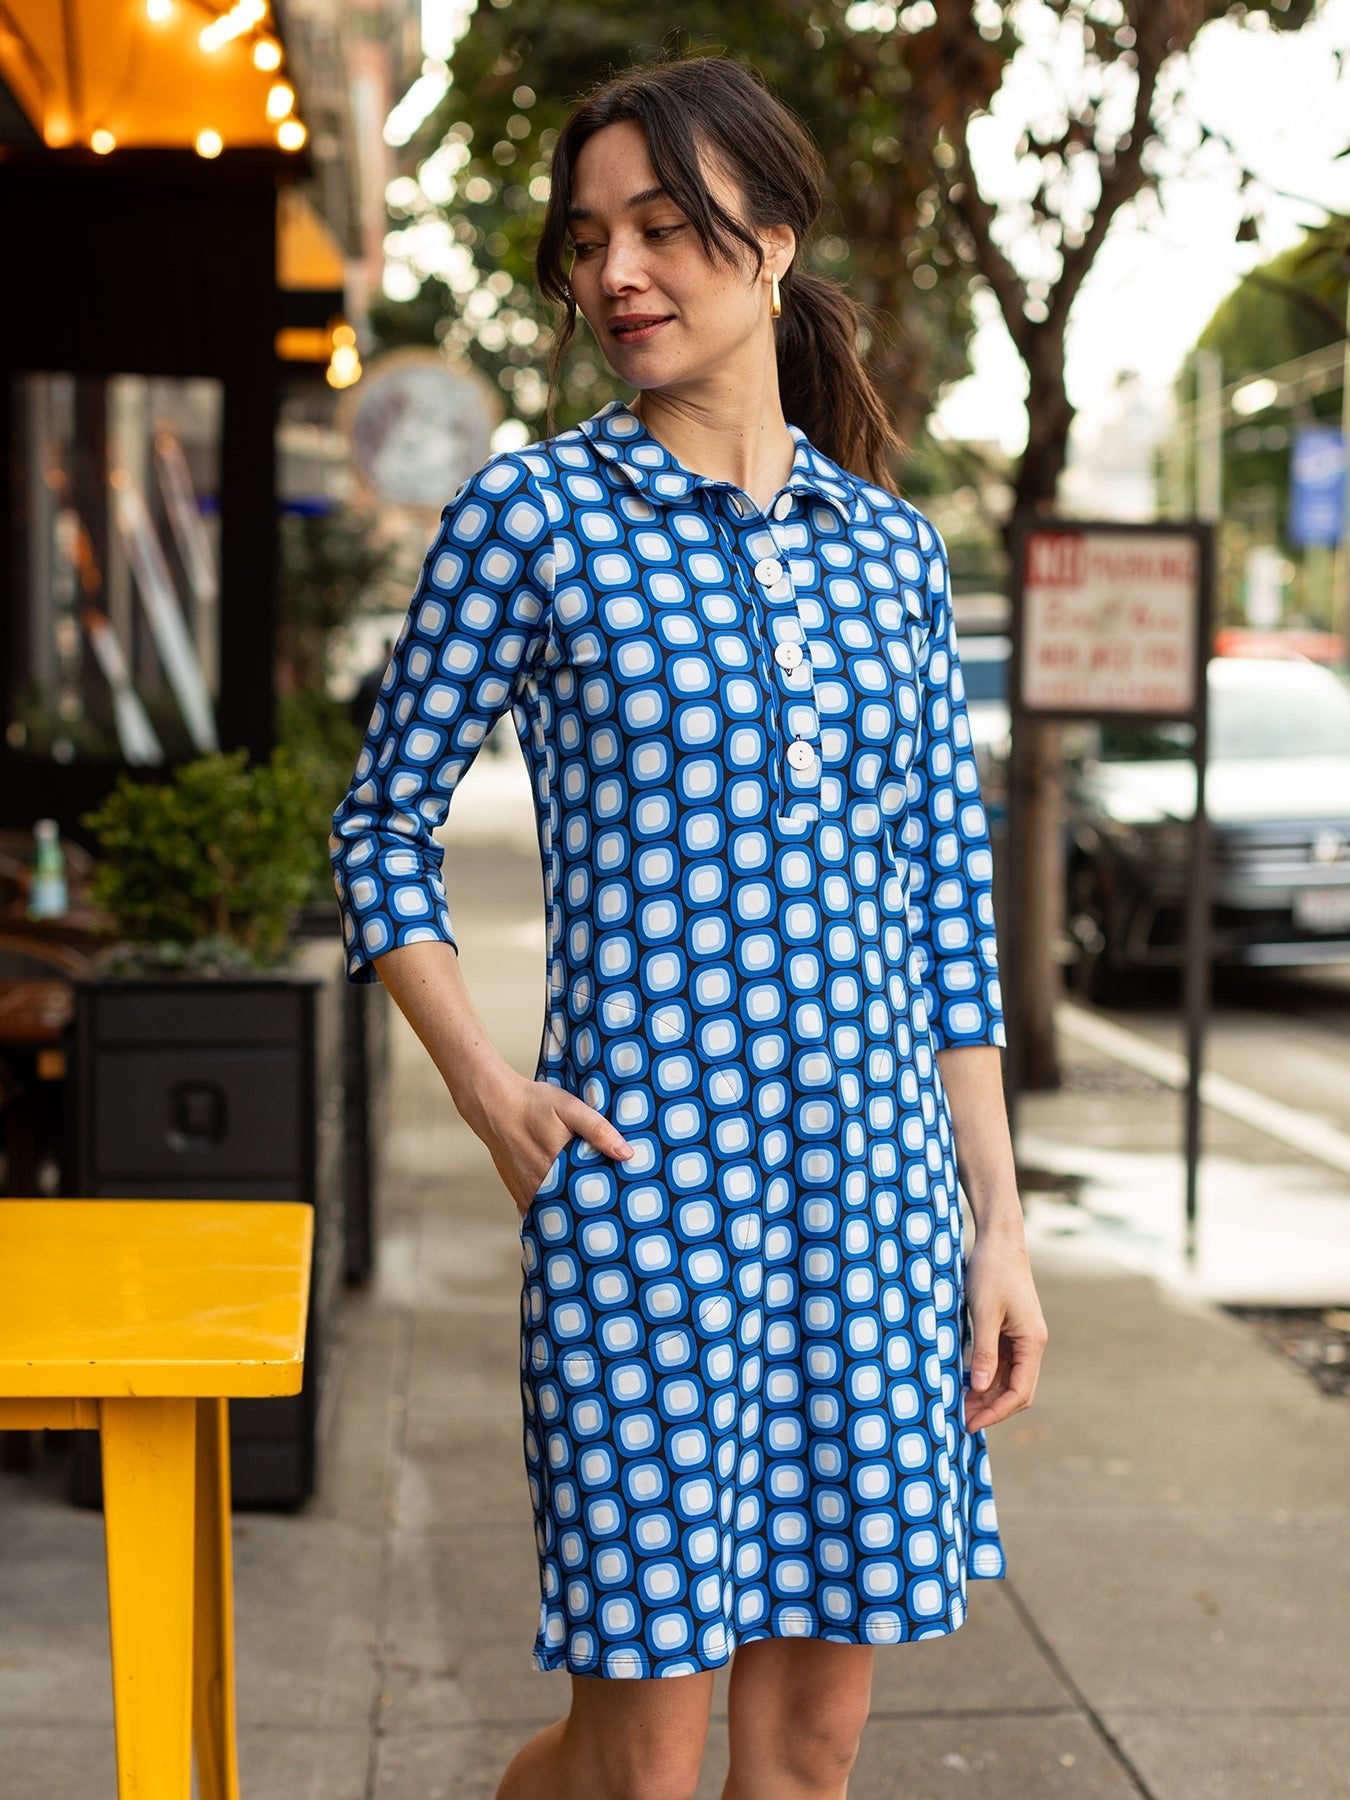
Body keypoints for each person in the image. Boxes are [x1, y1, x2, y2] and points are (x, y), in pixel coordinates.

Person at [331, 53, 1047, 1800]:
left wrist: (997, 1229)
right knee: (635, 1766)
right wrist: (487, 1090)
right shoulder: (532, 516)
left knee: (809, 1755)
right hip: (644, 1206)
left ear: (772, 240)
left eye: (661, 226)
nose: (618, 272)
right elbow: (380, 828)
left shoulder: (891, 554)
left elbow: (946, 916)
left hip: (873, 1216)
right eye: (589, 240)